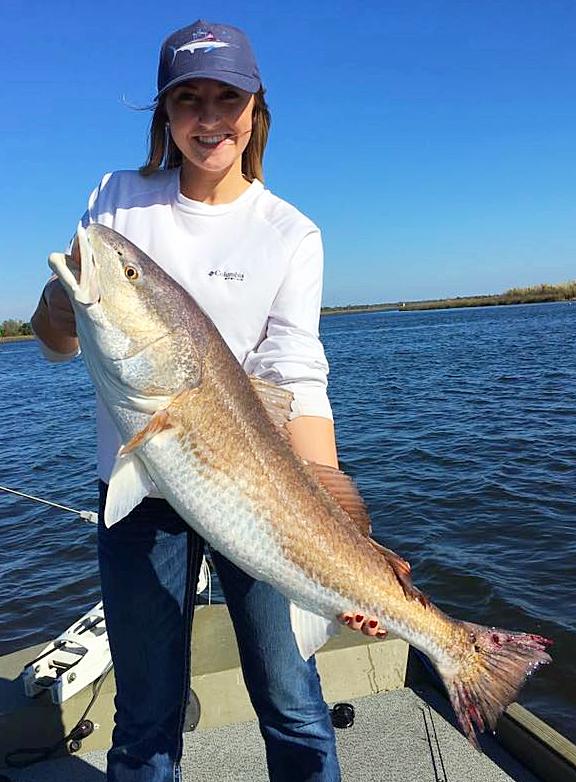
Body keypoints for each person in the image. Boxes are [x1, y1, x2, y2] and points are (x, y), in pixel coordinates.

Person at [31, 20, 385, 782]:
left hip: (257, 500)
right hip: (137, 495)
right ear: (164, 112)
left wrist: (341, 540)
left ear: (257, 107)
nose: (209, 117)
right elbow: (55, 340)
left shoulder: (290, 233)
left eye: (228, 97)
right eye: (188, 98)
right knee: (145, 716)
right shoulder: (115, 201)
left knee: (293, 702)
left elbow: (297, 380)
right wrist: (58, 310)